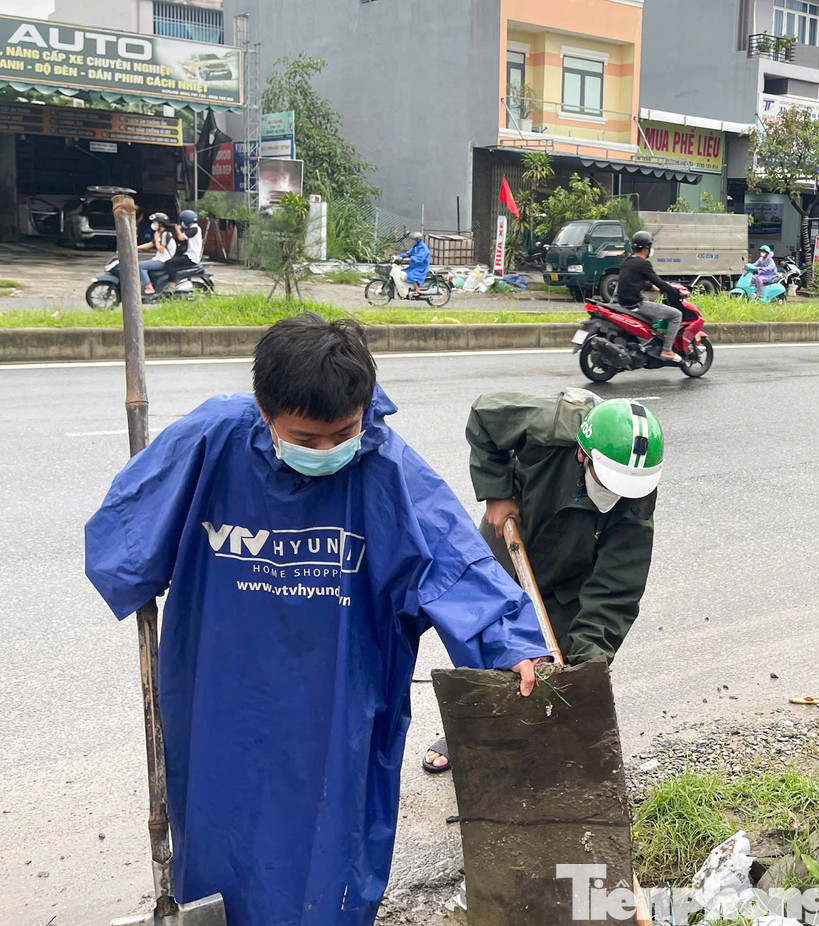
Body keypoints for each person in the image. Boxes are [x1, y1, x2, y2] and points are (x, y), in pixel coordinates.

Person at [85, 314, 549, 926]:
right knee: (220, 839)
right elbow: (122, 539)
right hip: (221, 695)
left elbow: (456, 563)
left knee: (333, 854)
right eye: (306, 438)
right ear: (263, 409)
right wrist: (140, 558)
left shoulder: (385, 465)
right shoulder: (213, 439)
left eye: (344, 433)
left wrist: (511, 644)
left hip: (339, 699)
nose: (329, 452)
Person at [424, 390, 663, 772]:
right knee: (492, 636)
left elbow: (617, 586)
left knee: (558, 656)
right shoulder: (553, 425)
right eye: (610, 481)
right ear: (583, 453)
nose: (618, 493)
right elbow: (485, 416)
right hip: (511, 537)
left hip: (572, 561)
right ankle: (469, 728)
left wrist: (586, 672)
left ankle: (542, 727)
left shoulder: (636, 491)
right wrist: (496, 493)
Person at [616, 229, 685, 361]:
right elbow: (659, 282)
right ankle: (667, 350)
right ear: (646, 249)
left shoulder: (627, 261)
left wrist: (650, 286)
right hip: (636, 305)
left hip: (623, 304)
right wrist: (678, 292)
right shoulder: (643, 263)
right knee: (677, 315)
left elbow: (633, 282)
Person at [158, 210, 204, 282]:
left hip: (191, 257)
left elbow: (181, 238)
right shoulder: (192, 229)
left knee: (169, 263)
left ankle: (172, 282)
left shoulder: (195, 229)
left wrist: (177, 229)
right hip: (188, 255)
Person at [138, 212, 175, 295]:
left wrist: (156, 237)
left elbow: (161, 249)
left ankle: (149, 288)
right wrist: (135, 248)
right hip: (159, 259)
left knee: (140, 266)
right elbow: (150, 244)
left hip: (164, 261)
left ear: (161, 224)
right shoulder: (160, 234)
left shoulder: (165, 234)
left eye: (155, 222)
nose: (153, 224)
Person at [394, 231, 430, 297]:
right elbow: (408, 253)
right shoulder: (415, 247)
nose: (412, 241)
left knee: (411, 275)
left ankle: (417, 290)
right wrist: (399, 256)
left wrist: (410, 259)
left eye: (413, 240)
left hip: (421, 267)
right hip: (414, 266)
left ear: (417, 239)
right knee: (403, 273)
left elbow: (420, 258)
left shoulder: (423, 248)